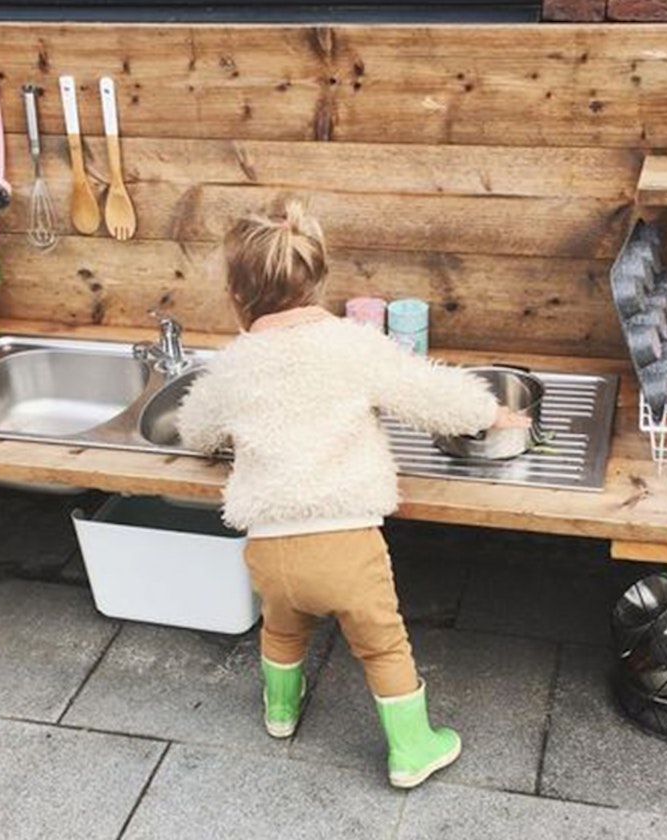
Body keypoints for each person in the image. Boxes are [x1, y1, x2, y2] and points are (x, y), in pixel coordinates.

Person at [175, 200, 530, 788]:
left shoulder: (235, 366)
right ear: (319, 281)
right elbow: (429, 393)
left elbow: (196, 428)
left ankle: (281, 712)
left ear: (237, 296)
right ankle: (412, 748)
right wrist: (491, 412)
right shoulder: (354, 344)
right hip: (346, 546)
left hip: (269, 551)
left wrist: (221, 435)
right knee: (384, 647)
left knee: (282, 630)